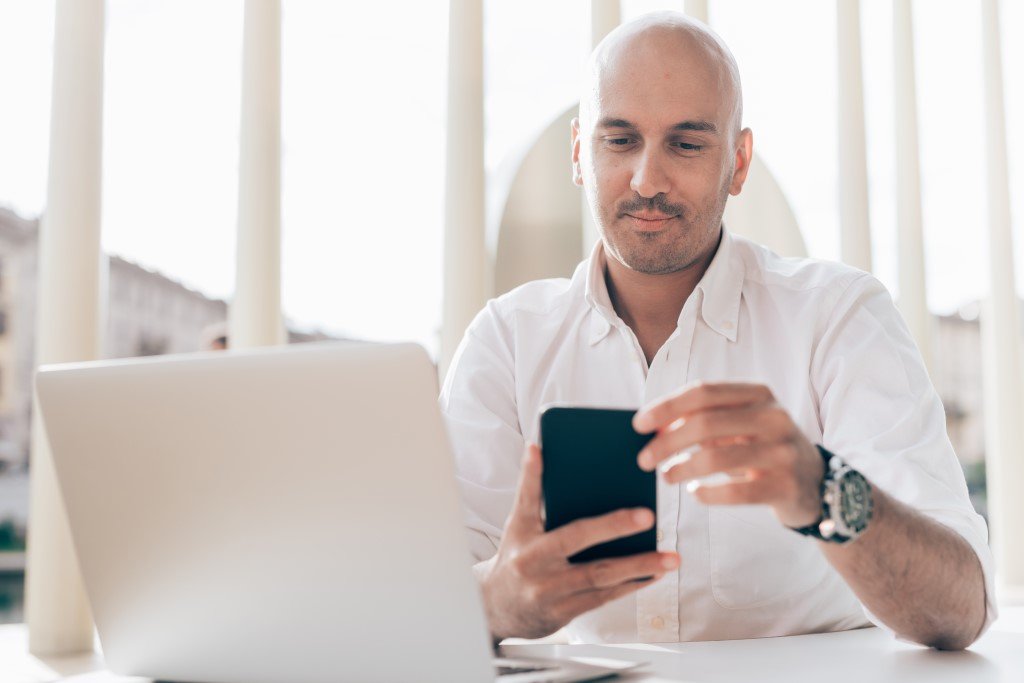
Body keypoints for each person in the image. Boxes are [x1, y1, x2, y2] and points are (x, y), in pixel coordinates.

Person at [439, 11, 993, 649]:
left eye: (686, 143)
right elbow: (409, 600)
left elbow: (961, 608)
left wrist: (824, 494)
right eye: (620, 140)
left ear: (738, 160)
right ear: (579, 154)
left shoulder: (839, 316)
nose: (647, 180)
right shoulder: (506, 342)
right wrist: (495, 604)